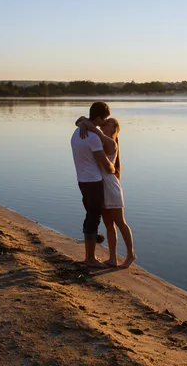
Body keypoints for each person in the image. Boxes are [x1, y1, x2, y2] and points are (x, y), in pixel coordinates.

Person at [76, 116, 136, 268]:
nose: (102, 127)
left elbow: (94, 130)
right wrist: (81, 123)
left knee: (120, 222)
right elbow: (82, 123)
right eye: (102, 125)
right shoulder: (99, 139)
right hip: (99, 185)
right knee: (109, 225)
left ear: (113, 129)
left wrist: (85, 124)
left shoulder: (110, 143)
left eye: (105, 125)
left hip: (110, 186)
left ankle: (130, 255)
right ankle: (113, 258)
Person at [70, 101, 115, 268]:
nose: (104, 122)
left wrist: (82, 123)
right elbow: (105, 165)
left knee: (90, 215)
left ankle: (89, 255)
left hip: (82, 180)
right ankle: (90, 258)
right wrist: (113, 165)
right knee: (93, 218)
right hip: (93, 181)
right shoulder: (94, 137)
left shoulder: (76, 132)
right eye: (104, 119)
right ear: (98, 117)